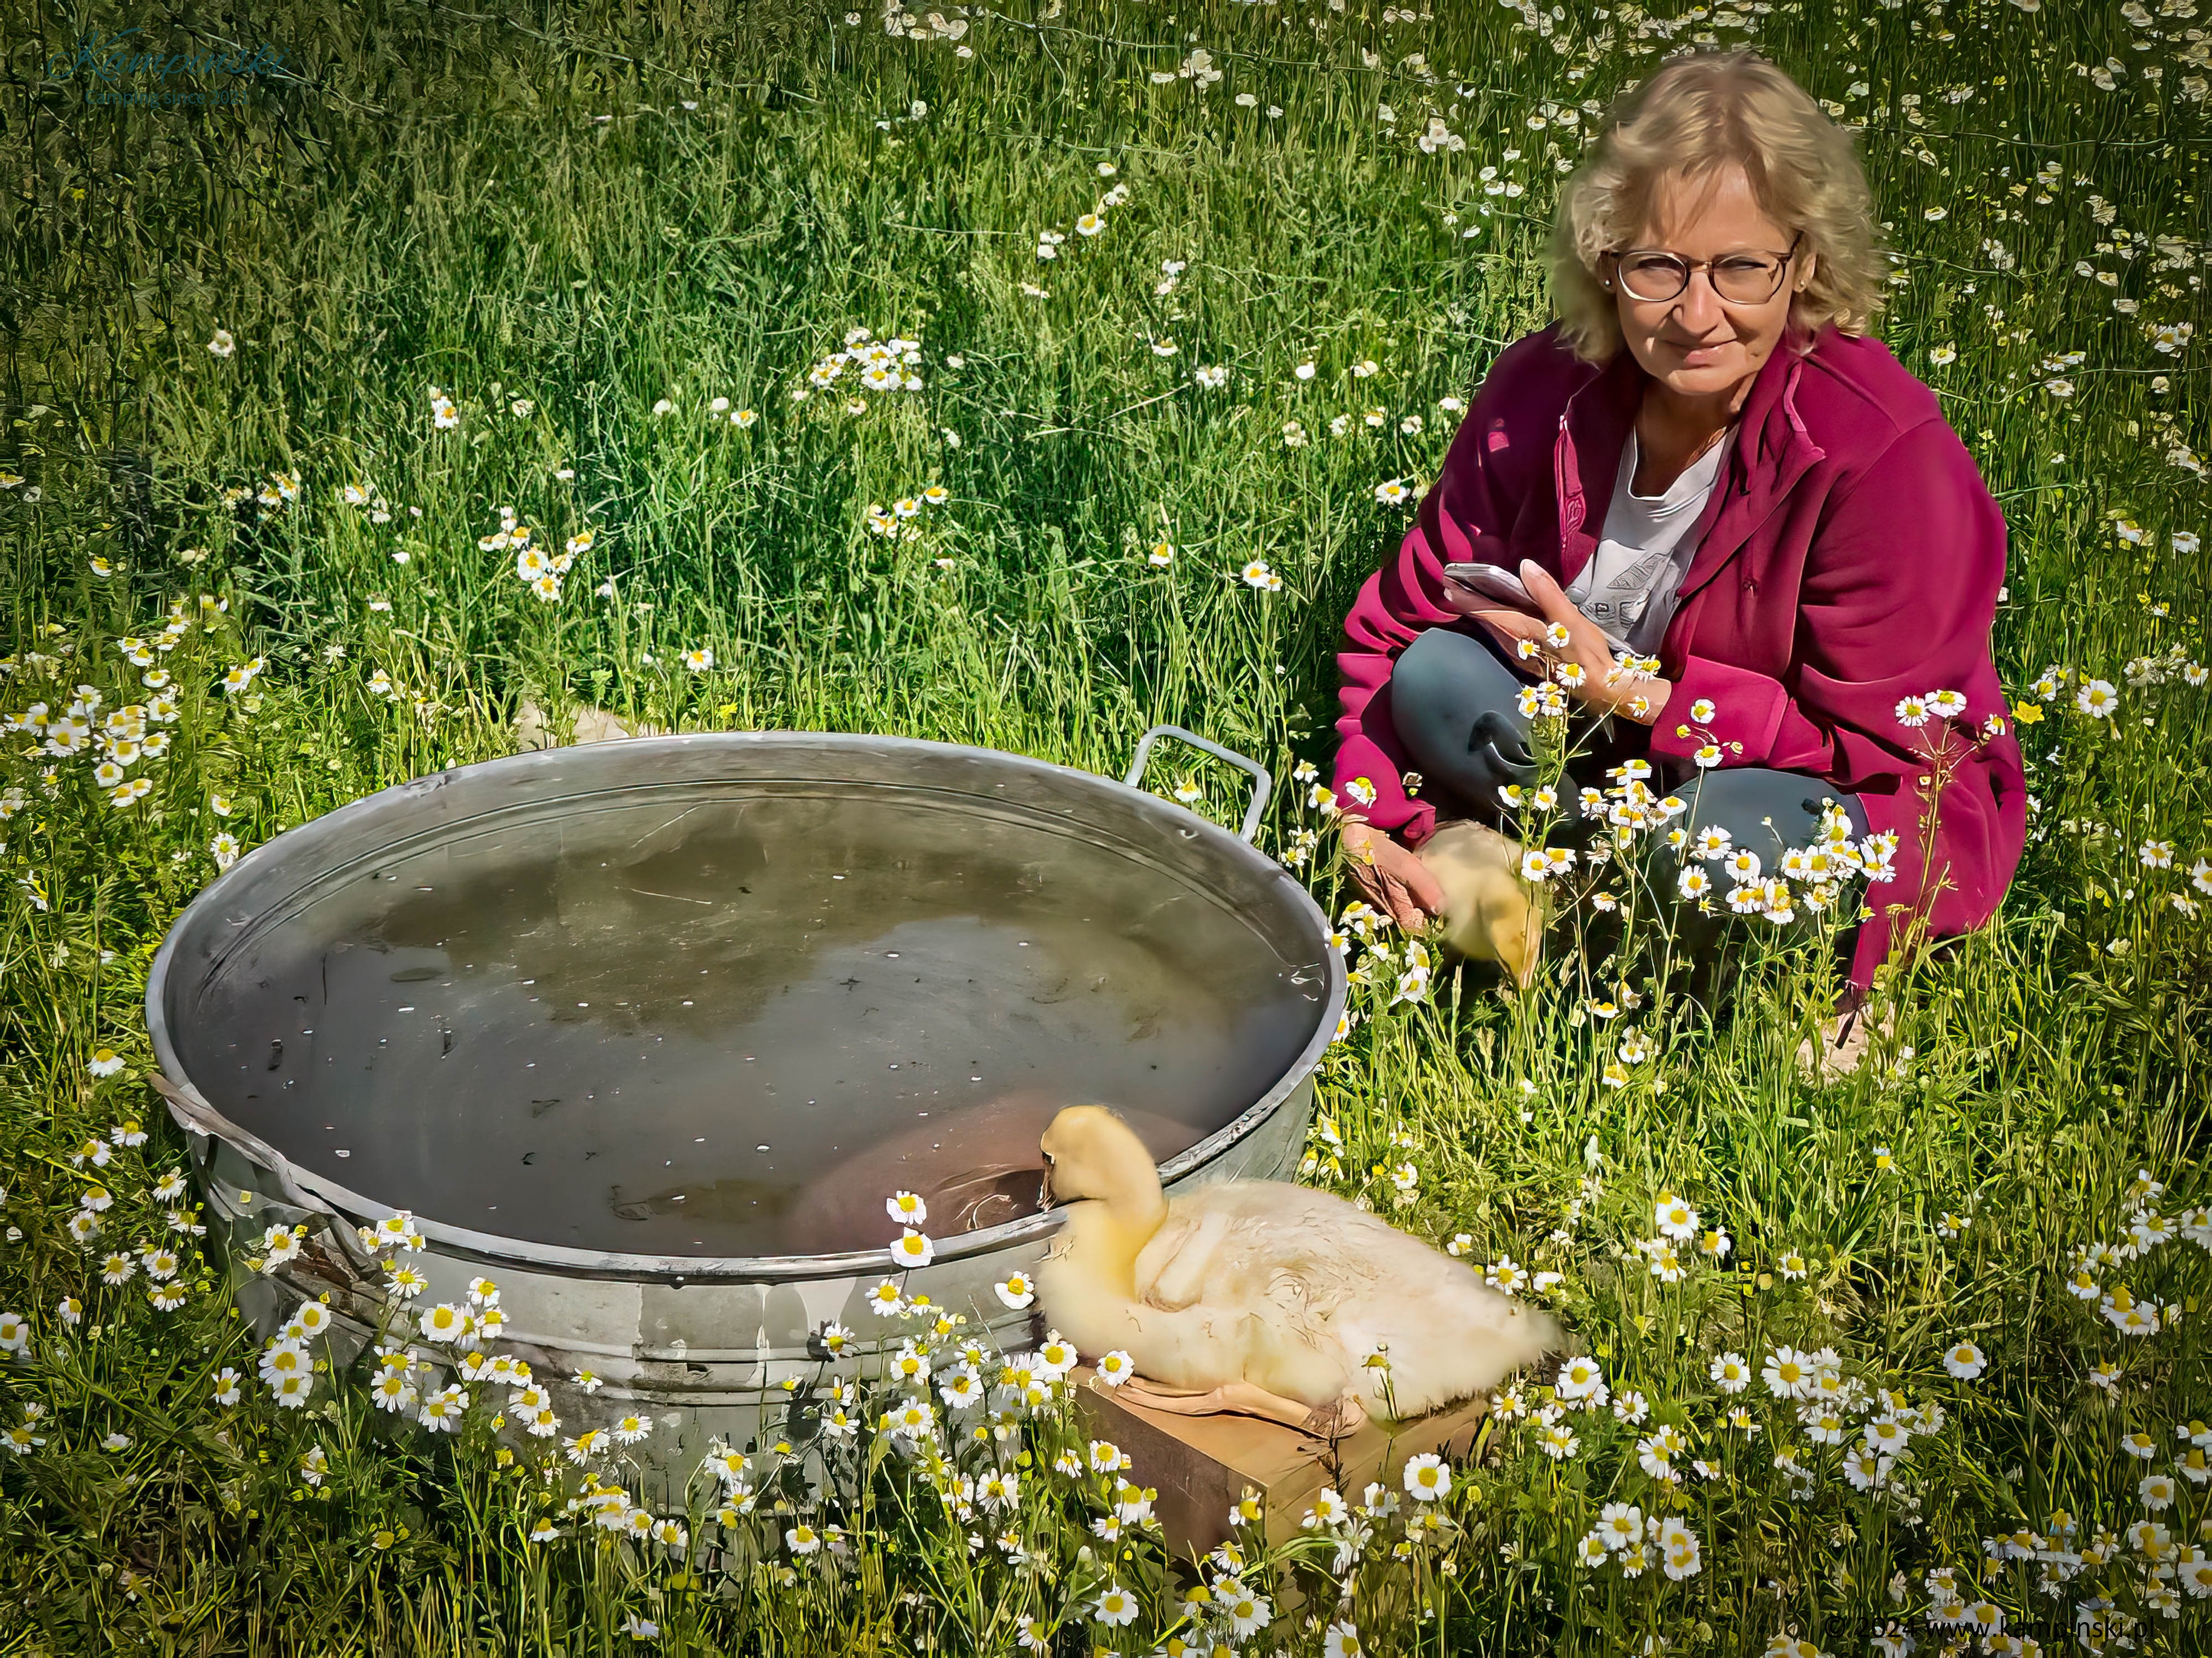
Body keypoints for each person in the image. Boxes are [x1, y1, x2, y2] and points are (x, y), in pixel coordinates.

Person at [1328, 50, 2025, 1012]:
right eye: (1659, 266)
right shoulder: (1543, 392)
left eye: (1742, 267)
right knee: (1438, 680)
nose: (1698, 314)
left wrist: (1640, 694)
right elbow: (1397, 620)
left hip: (1803, 790)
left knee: (1720, 847)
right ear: (1607, 264)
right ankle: (1570, 888)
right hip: (1611, 756)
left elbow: (1901, 757)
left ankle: (1772, 969)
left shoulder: (1883, 455)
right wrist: (1363, 815)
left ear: (1806, 261)